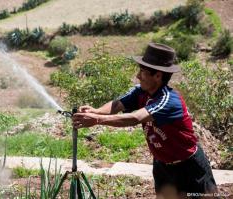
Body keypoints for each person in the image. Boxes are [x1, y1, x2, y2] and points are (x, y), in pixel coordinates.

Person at [72, 43, 218, 198]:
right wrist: (96, 111)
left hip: (189, 169)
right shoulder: (140, 92)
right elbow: (117, 105)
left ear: (158, 75)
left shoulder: (169, 100)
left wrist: (97, 120)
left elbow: (136, 118)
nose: (138, 75)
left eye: (142, 71)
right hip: (162, 167)